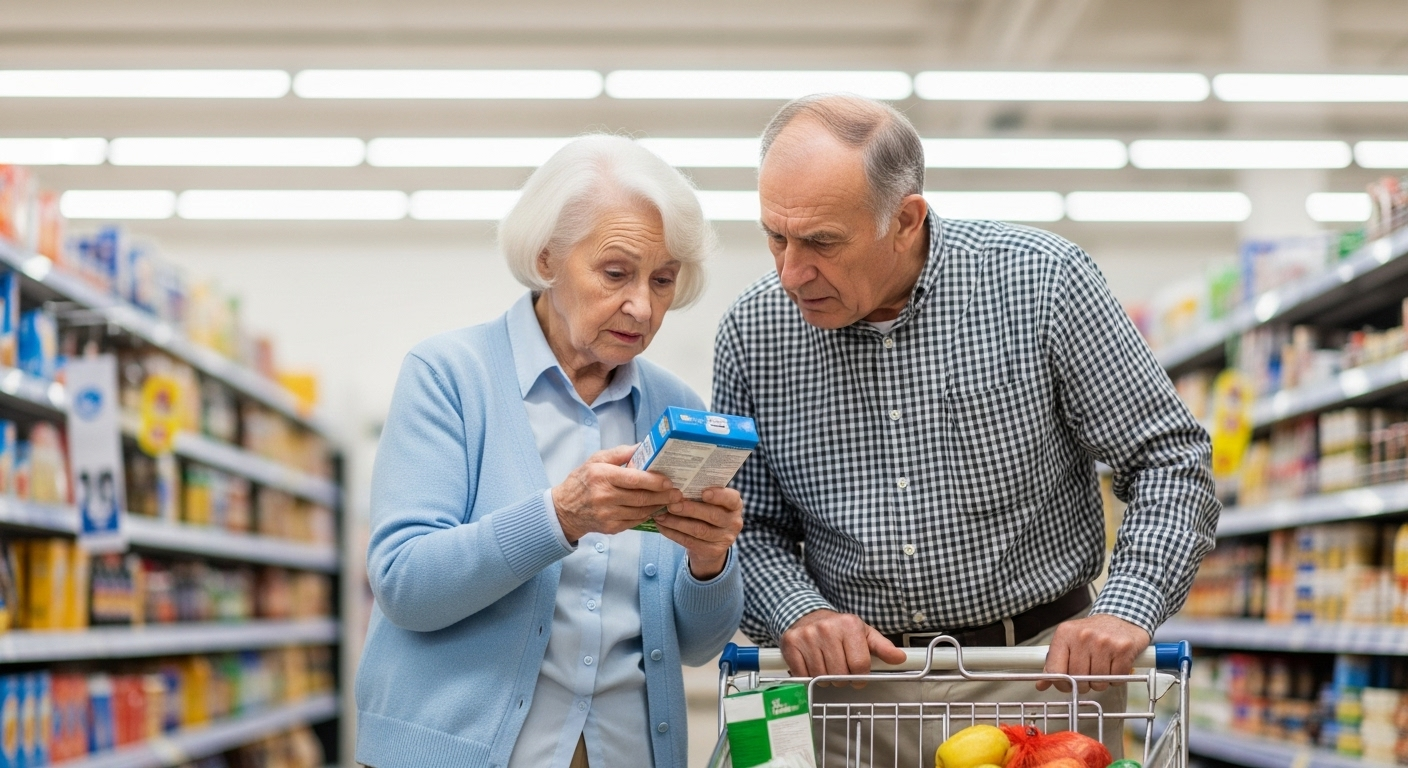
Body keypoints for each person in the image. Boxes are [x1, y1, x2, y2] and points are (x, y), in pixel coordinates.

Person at [713, 95, 1220, 761]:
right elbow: (746, 525)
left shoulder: (1042, 284)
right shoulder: (754, 334)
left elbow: (1170, 462)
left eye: (822, 243)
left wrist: (1124, 608)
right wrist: (799, 613)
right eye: (774, 236)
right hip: (852, 699)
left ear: (905, 219)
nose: (791, 272)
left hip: (1041, 682)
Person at [356, 134, 745, 768]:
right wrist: (560, 516)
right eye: (616, 273)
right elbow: (404, 583)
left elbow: (698, 646)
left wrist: (709, 562)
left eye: (664, 280)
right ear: (546, 257)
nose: (642, 306)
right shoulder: (450, 375)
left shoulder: (679, 409)